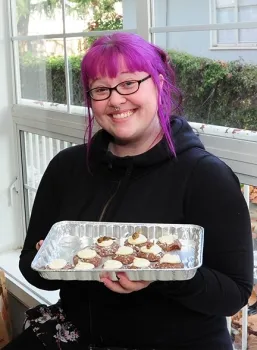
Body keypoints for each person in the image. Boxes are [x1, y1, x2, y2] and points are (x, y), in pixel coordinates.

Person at [4, 33, 253, 350]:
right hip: (78, 333)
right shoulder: (66, 168)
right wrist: (56, 264)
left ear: (160, 84)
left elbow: (234, 294)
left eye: (129, 83)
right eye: (101, 89)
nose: (116, 99)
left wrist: (164, 275)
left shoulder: (205, 176)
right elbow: (31, 265)